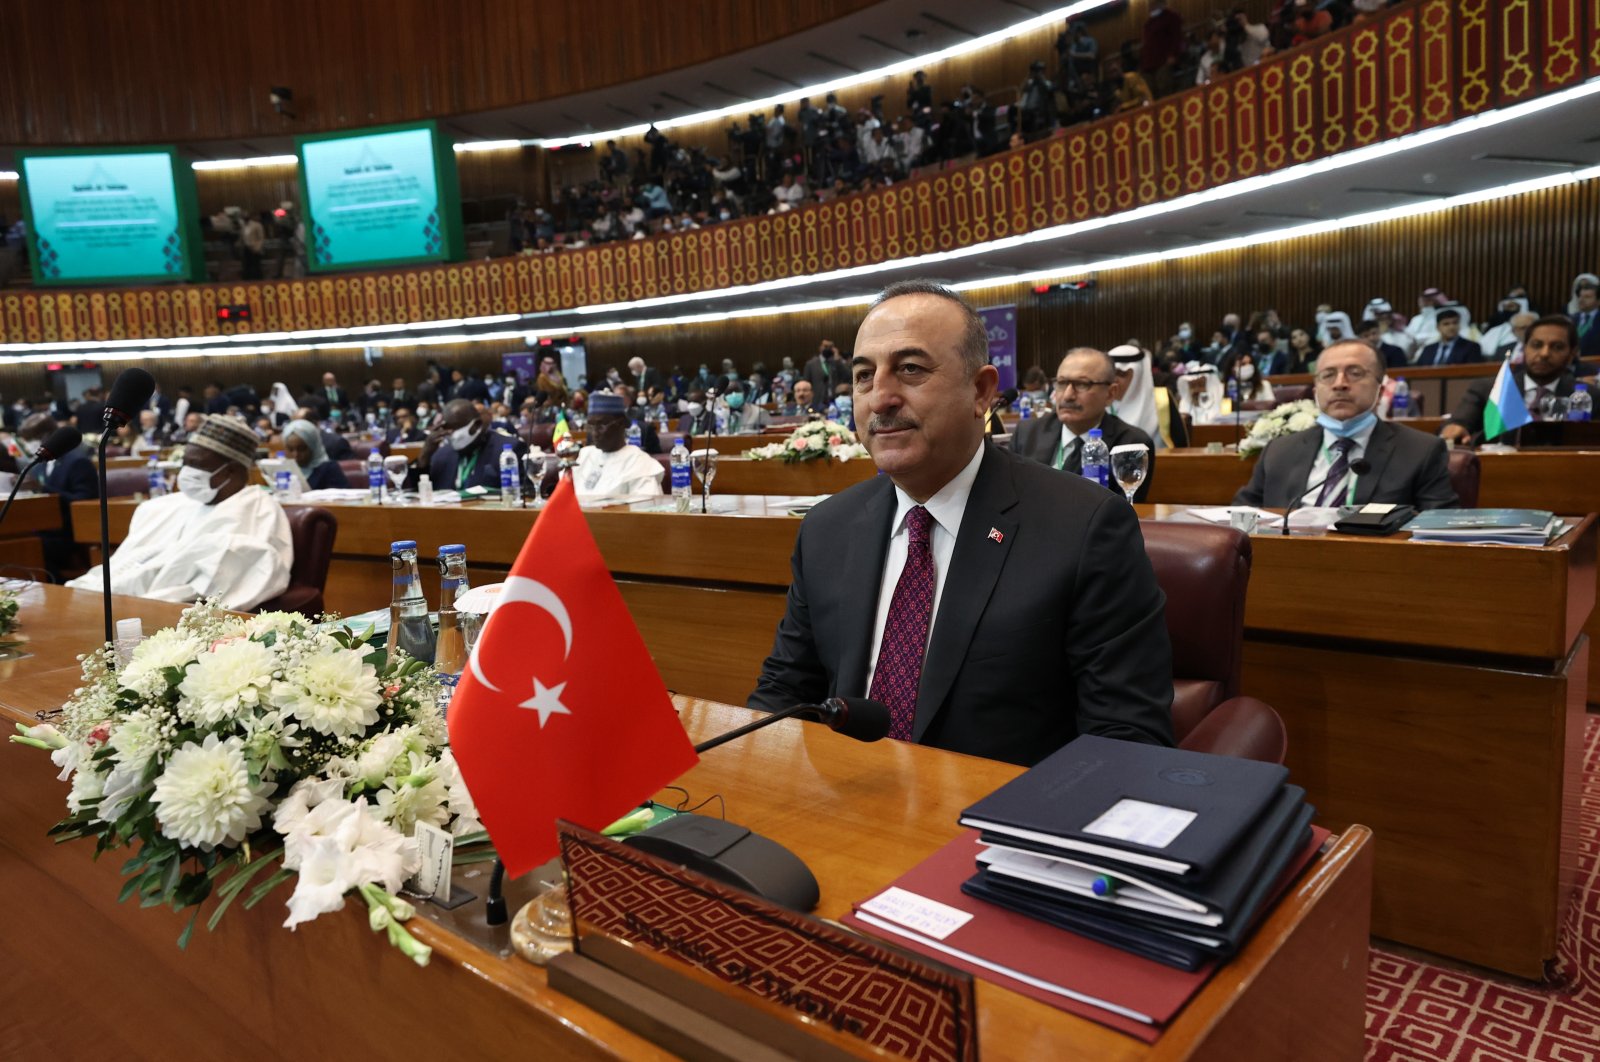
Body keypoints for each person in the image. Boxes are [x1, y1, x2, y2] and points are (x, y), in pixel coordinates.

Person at [747, 280, 1173, 766]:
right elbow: (785, 691)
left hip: (996, 824)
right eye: (864, 376)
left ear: (981, 391)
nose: (880, 398)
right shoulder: (827, 527)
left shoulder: (1085, 527)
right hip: (843, 808)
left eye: (910, 370)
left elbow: (1125, 737)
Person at [65, 415, 292, 610]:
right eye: (185, 462)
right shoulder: (167, 506)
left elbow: (238, 570)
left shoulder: (257, 510)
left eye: (197, 464)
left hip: (154, 607)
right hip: (111, 598)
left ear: (230, 471)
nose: (187, 471)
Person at [1235, 341, 1457, 510]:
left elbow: (1438, 532)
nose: (1340, 384)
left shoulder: (1421, 451)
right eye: (1328, 375)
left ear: (1380, 389)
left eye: (1355, 373)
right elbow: (1240, 516)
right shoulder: (1279, 451)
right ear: (1315, 391)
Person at [1013, 347, 1157, 502]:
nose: (1067, 395)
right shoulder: (1027, 433)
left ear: (1110, 393)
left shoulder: (1131, 446)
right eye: (1061, 383)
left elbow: (1122, 515)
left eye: (1082, 384)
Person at [1441, 316, 1583, 445]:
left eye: (1557, 347)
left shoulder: (1588, 396)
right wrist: (1454, 427)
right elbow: (1459, 422)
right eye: (1536, 345)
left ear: (1572, 353)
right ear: (1524, 348)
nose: (1544, 354)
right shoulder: (1489, 388)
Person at [16, 414, 98, 580]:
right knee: (17, 542)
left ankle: (56, 585)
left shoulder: (77, 462)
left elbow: (84, 502)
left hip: (68, 532)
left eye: (32, 439)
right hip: (42, 528)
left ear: (47, 436)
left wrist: (43, 489)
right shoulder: (38, 465)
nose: (29, 445)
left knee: (30, 547)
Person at [571, 392, 665, 498]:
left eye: (601, 425)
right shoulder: (585, 455)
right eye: (591, 426)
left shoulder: (638, 462)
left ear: (620, 424)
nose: (594, 433)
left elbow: (646, 510)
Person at [423, 399, 524, 494]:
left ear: (477, 425)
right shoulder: (442, 454)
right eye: (448, 429)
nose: (452, 435)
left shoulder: (508, 449)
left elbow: (522, 495)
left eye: (456, 428)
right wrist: (425, 455)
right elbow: (421, 495)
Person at [1108, 343, 1188, 449]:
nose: (1114, 381)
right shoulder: (1100, 402)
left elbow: (1181, 446)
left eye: (1121, 374)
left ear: (1138, 375)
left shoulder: (1162, 399)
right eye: (1110, 375)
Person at [282, 419, 349, 491]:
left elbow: (342, 499)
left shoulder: (329, 469)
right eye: (290, 449)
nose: (296, 454)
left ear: (313, 447)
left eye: (302, 449)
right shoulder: (285, 470)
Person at [1414, 309, 1483, 366]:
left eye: (1455, 323)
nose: (1451, 327)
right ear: (1438, 328)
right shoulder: (1428, 349)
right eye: (1446, 324)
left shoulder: (1471, 347)